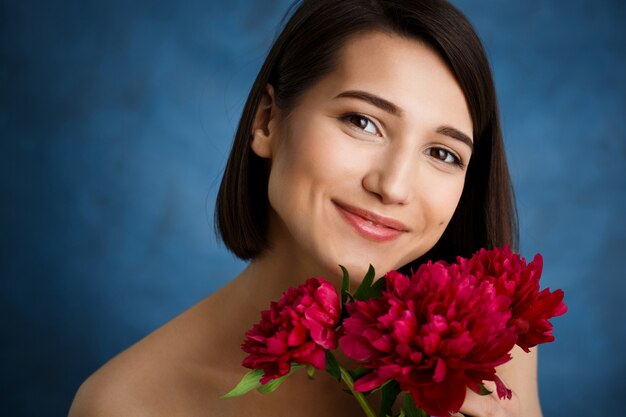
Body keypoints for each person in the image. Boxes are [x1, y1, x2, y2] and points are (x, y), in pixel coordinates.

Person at [69, 0, 542, 416]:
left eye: (443, 153)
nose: (393, 187)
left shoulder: (488, 343)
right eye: (363, 122)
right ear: (267, 122)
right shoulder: (124, 404)